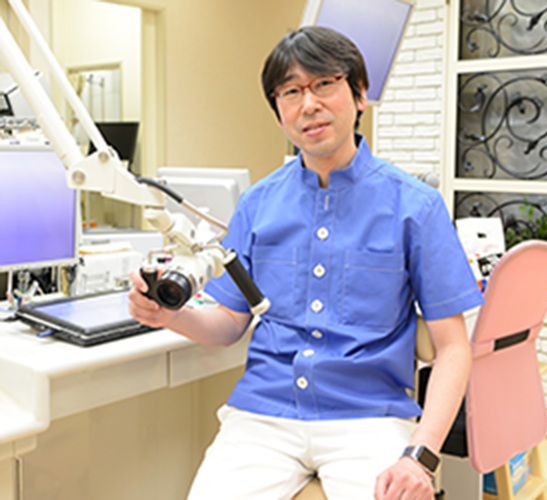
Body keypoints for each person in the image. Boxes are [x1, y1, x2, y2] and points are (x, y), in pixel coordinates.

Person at [128, 26, 484, 500]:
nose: (308, 104)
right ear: (279, 113)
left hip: (369, 417)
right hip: (264, 416)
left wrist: (420, 455)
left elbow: (454, 348)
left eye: (324, 84)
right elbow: (230, 322)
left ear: (359, 94)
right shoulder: (257, 204)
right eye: (291, 92)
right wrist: (169, 315)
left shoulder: (415, 206)